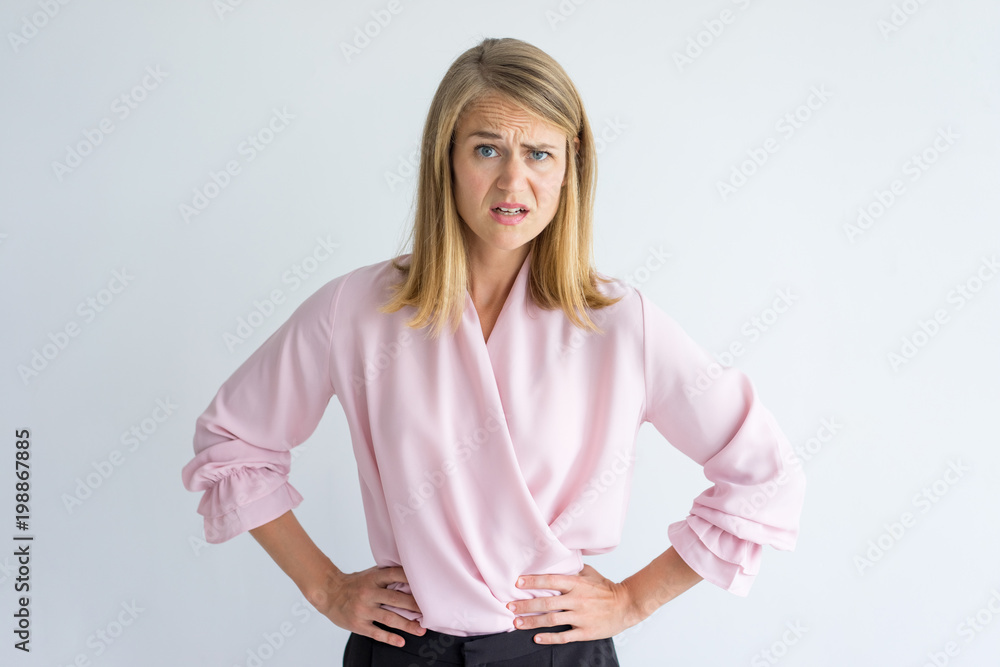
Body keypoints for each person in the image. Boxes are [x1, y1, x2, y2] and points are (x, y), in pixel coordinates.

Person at [181, 37, 806, 666]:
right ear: (445, 158)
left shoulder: (619, 324)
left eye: (539, 153)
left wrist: (634, 600)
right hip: (403, 649)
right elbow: (233, 443)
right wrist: (324, 586)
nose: (514, 182)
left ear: (570, 165)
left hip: (553, 652)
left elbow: (764, 475)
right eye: (487, 149)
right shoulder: (359, 309)